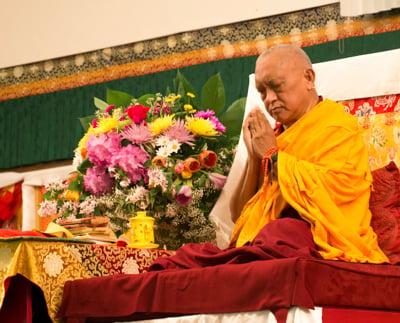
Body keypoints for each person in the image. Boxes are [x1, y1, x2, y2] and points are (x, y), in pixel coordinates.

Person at [228, 44, 388, 263]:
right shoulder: (273, 138)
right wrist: (256, 156)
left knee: (282, 232)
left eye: (277, 87)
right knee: (190, 256)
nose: (269, 99)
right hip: (270, 244)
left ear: (308, 78)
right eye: (263, 92)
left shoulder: (336, 127)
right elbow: (238, 217)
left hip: (317, 242)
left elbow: (337, 192)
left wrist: (274, 155)